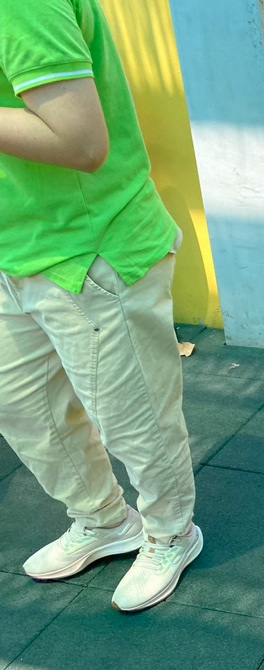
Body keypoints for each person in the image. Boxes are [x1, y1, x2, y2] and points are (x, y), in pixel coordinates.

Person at [0, 0, 201, 611]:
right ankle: (104, 520)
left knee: (134, 418)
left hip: (91, 248)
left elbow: (81, 140)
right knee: (28, 412)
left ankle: (172, 533)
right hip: (14, 250)